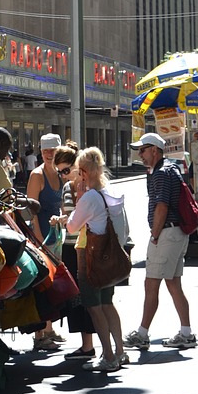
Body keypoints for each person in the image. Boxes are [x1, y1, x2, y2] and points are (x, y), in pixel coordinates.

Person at [123, 133, 197, 351]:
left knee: (151, 283)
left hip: (166, 234)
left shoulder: (160, 173)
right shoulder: (171, 169)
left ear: (154, 150)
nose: (140, 155)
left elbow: (161, 206)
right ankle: (186, 333)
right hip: (176, 233)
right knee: (173, 284)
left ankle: (142, 334)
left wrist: (155, 235)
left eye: (143, 150)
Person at [66, 146, 130, 373]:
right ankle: (120, 351)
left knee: (94, 307)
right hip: (109, 257)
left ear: (83, 171)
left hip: (91, 256)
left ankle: (109, 356)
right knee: (107, 304)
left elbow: (72, 226)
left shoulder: (90, 197)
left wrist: (79, 200)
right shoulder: (108, 190)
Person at [54, 142, 95, 360]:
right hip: (70, 245)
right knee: (77, 297)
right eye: (59, 171)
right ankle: (86, 344)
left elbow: (83, 217)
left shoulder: (86, 186)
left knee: (88, 296)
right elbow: (70, 217)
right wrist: (61, 220)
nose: (62, 175)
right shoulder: (67, 188)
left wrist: (65, 220)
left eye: (65, 170)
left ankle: (92, 345)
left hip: (83, 246)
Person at [26, 133, 66, 351]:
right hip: (40, 237)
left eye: (53, 150)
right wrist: (38, 237)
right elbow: (31, 211)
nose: (49, 154)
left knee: (52, 284)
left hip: (56, 236)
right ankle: (39, 334)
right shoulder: (37, 175)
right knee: (41, 284)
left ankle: (49, 328)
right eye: (45, 151)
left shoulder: (60, 174)